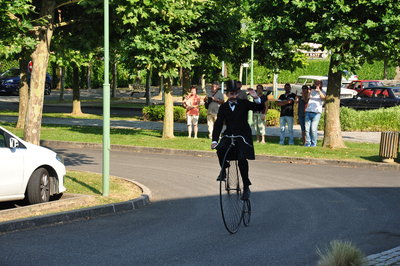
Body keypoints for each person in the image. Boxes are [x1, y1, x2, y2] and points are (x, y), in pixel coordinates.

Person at [211, 80, 265, 200]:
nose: (234, 96)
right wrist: (214, 140)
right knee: (219, 149)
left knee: (241, 158)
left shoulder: (244, 103)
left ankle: (246, 186)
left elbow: (259, 107)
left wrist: (256, 97)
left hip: (243, 135)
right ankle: (224, 169)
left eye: (236, 93)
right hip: (229, 134)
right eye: (231, 94)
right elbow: (218, 124)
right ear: (227, 94)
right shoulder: (224, 107)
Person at [304, 80, 326, 147]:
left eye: (318, 83)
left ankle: (314, 143)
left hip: (316, 113)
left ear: (321, 84)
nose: (316, 84)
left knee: (313, 129)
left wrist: (319, 91)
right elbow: (306, 99)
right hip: (308, 111)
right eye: (315, 83)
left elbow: (323, 98)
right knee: (307, 129)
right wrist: (308, 92)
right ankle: (308, 142)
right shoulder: (312, 91)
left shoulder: (323, 91)